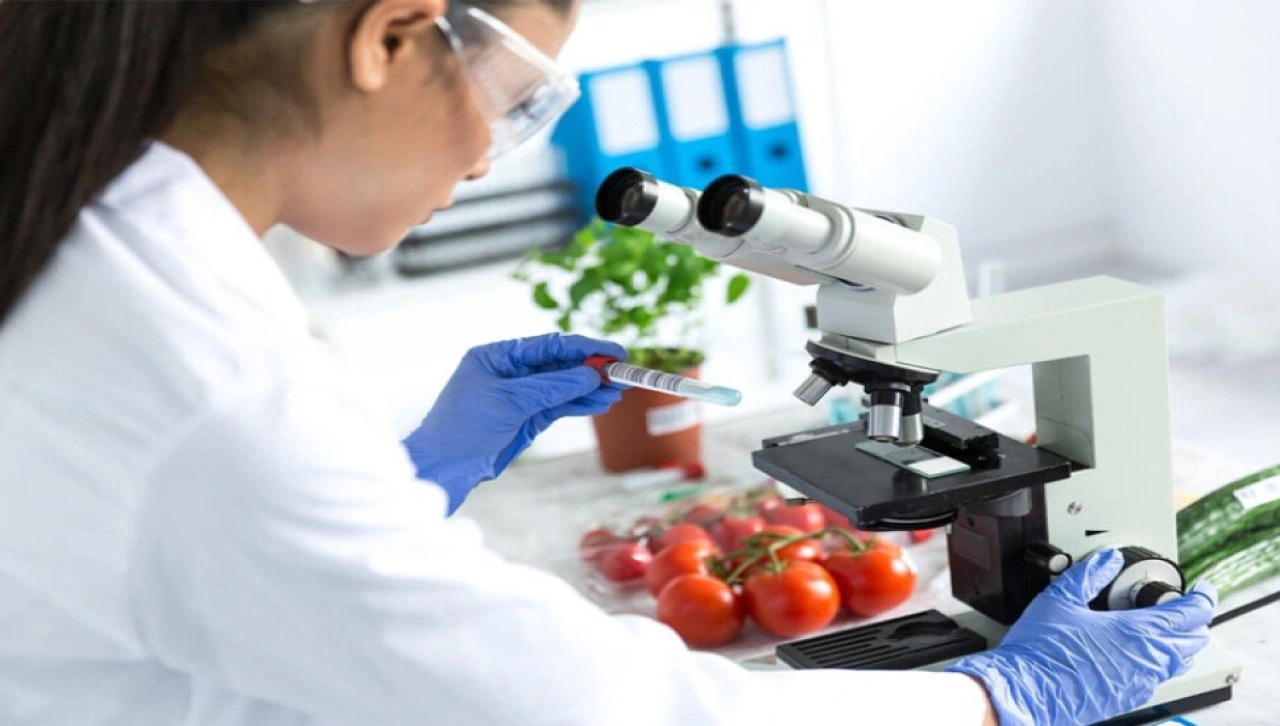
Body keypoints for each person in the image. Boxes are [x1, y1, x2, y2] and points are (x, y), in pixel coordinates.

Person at [0, 1, 1216, 724]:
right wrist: (997, 700)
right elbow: (585, 711)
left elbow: (164, 562)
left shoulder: (87, 228)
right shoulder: (216, 391)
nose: (487, 157)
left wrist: (405, 484)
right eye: (515, 100)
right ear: (389, 37)